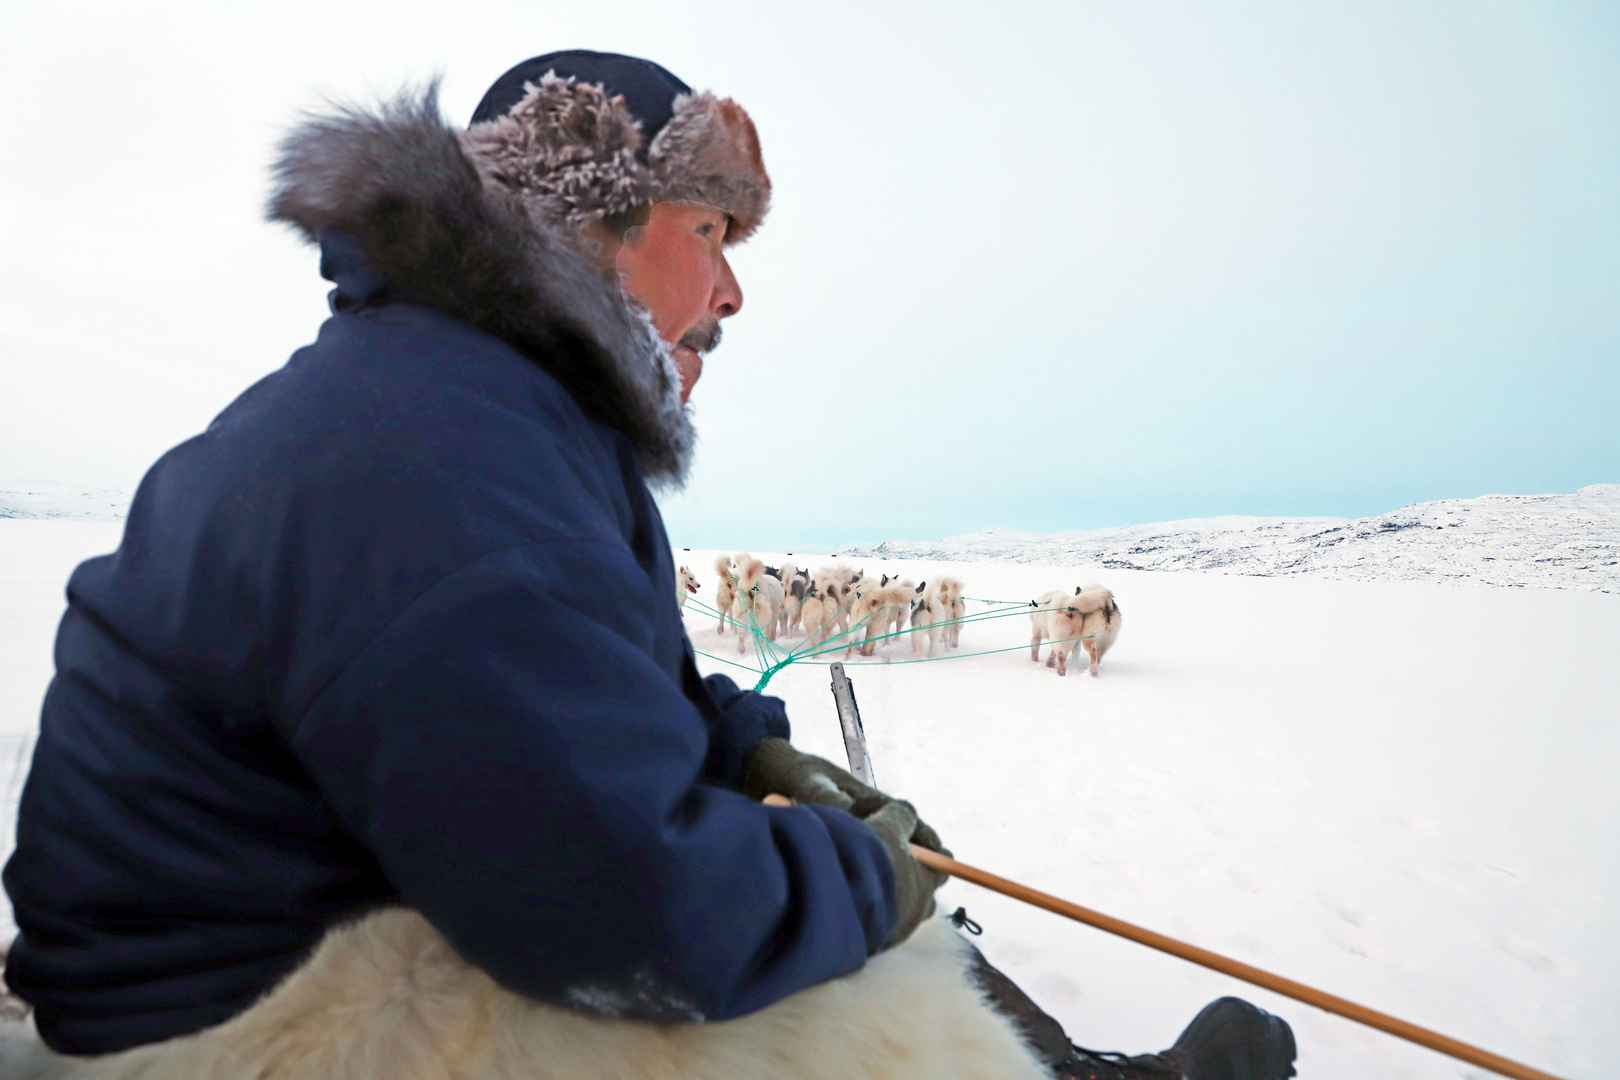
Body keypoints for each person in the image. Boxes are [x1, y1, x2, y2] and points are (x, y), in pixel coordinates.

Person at [0, 51, 1296, 1080]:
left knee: (827, 919)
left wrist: (749, 753)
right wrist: (867, 876)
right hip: (223, 1029)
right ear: (590, 216)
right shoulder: (438, 454)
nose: (731, 296)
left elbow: (602, 693)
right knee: (862, 992)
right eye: (710, 229)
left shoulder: (488, 415)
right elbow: (624, 911)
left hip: (289, 937)